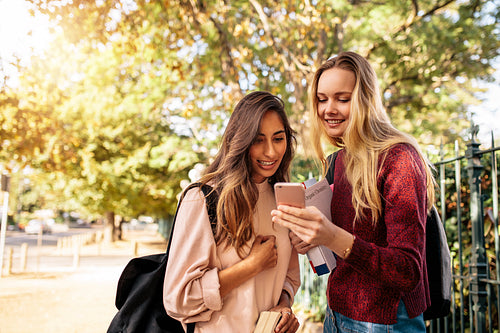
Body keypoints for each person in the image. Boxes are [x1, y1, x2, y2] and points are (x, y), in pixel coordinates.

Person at [272, 51, 436, 332]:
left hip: (383, 322)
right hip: (336, 315)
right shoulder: (339, 160)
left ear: (365, 100)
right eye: (322, 99)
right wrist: (312, 240)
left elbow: (408, 271)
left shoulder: (399, 159)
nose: (328, 109)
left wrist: (333, 236)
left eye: (342, 99)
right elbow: (346, 242)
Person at [164, 91, 301, 333]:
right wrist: (250, 266)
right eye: (258, 140)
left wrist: (284, 307)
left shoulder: (283, 199)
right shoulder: (203, 199)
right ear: (241, 141)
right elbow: (178, 300)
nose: (271, 152)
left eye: (278, 139)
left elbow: (289, 277)